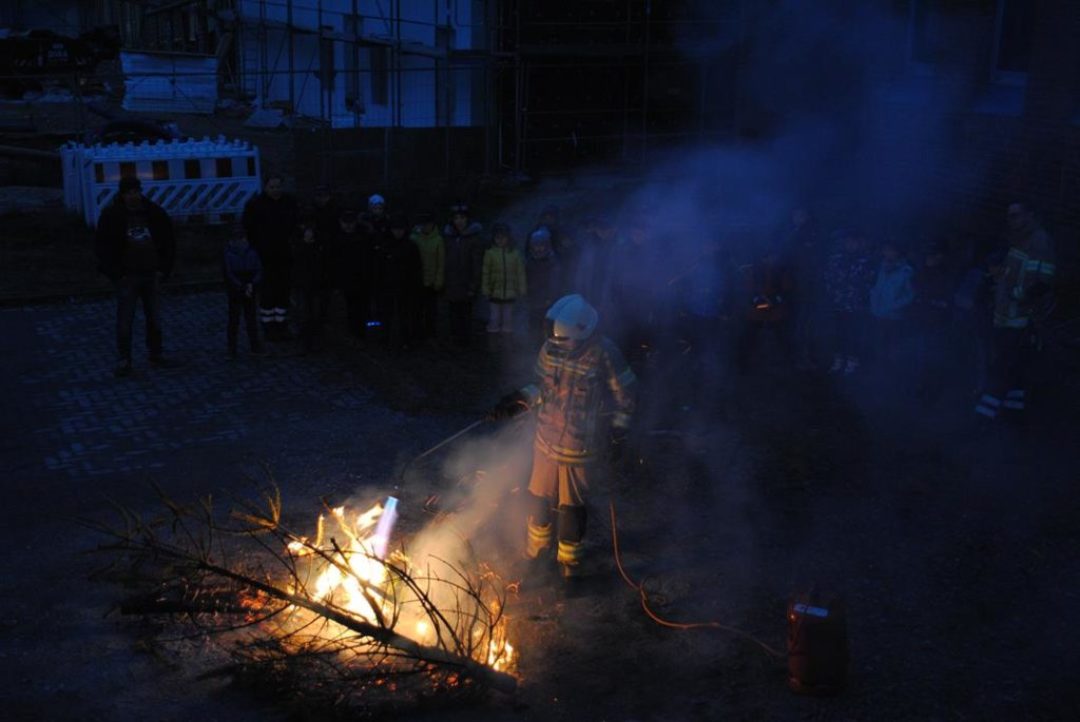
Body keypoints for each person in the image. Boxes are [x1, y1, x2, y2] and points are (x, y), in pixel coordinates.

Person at [490, 294, 636, 582]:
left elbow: (627, 396)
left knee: (571, 510)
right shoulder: (551, 347)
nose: (559, 345)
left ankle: (569, 568)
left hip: (578, 445)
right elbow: (541, 387)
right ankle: (536, 556)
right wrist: (517, 400)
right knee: (537, 501)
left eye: (565, 341)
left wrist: (619, 431)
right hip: (545, 439)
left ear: (583, 333)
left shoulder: (605, 353)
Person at [974, 202, 1056, 421]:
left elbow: (1041, 282)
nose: (1011, 219)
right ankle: (1013, 415)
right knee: (1013, 368)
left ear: (1030, 215)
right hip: (1007, 317)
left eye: (1016, 215)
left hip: (1021, 319)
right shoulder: (1020, 240)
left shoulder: (1039, 241)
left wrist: (1016, 296)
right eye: (1009, 215)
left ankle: (982, 417)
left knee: (1001, 366)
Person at [94, 175, 176, 377]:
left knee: (154, 318)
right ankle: (125, 359)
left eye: (136, 191)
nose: (134, 196)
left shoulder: (154, 213)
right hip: (127, 276)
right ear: (123, 194)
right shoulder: (112, 216)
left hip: (151, 273)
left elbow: (169, 242)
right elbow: (103, 248)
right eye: (130, 192)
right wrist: (116, 274)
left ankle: (155, 354)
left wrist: (163, 270)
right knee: (125, 320)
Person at [242, 174, 298, 341]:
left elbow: (295, 225)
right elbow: (248, 229)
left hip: (284, 254)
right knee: (267, 291)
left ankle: (282, 325)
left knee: (283, 290)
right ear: (265, 187)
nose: (275, 190)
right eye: (272, 187)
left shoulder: (290, 202)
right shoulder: (255, 205)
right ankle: (268, 327)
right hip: (263, 256)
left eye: (278, 186)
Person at [736, 244, 795, 374]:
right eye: (768, 257)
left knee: (784, 337)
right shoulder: (754, 271)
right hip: (756, 313)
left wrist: (776, 299)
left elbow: (788, 291)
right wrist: (757, 299)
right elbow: (747, 289)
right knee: (748, 337)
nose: (771, 260)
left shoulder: (781, 271)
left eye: (773, 257)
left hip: (776, 312)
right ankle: (741, 364)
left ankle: (791, 363)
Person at [824, 229, 874, 375]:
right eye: (848, 241)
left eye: (853, 241)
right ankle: (838, 360)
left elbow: (870, 282)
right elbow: (828, 278)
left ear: (859, 243)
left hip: (857, 305)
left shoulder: (866, 260)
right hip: (838, 303)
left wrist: (861, 294)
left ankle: (852, 363)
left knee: (854, 334)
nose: (850, 244)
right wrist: (833, 293)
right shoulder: (836, 258)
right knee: (838, 333)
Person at [781, 208, 824, 369]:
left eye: (800, 215)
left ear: (806, 217)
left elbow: (812, 261)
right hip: (790, 285)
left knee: (804, 322)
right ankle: (791, 356)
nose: (797, 218)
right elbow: (784, 255)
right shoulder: (789, 233)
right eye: (795, 215)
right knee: (791, 321)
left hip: (806, 286)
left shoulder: (812, 234)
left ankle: (803, 356)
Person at [868, 241, 915, 373]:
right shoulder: (881, 267)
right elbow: (877, 287)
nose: (887, 253)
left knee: (894, 343)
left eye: (890, 250)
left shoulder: (906, 270)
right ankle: (879, 368)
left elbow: (910, 294)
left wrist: (894, 305)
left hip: (895, 314)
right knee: (879, 341)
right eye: (885, 250)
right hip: (878, 312)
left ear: (898, 252)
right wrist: (873, 300)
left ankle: (894, 372)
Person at [443, 202, 484, 346]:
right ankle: (454, 339)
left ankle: (465, 340)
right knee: (453, 313)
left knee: (466, 313)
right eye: (456, 218)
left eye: (462, 218)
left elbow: (477, 264)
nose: (459, 221)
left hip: (467, 283)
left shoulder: (474, 238)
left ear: (467, 220)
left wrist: (474, 285)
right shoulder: (449, 237)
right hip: (452, 282)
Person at [222, 223, 265, 359]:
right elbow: (229, 273)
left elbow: (258, 268)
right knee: (239, 318)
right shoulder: (248, 251)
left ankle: (240, 347)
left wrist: (250, 284)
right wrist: (247, 285)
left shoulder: (230, 252)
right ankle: (238, 348)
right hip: (240, 286)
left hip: (244, 284)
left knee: (245, 318)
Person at [290, 215, 330, 353]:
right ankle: (307, 342)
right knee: (305, 314)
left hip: (317, 285)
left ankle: (315, 341)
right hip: (303, 285)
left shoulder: (319, 247)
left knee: (315, 314)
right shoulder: (299, 247)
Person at [482, 223, 527, 334]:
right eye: (498, 237)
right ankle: (493, 341)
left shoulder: (515, 254)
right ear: (494, 238)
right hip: (494, 292)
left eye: (503, 237)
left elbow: (520, 273)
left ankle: (506, 344)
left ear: (508, 238)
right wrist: (486, 289)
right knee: (494, 318)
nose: (500, 240)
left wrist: (522, 289)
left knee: (508, 319)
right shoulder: (490, 253)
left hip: (510, 292)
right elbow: (486, 273)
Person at [334, 209, 372, 341]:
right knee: (350, 306)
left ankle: (360, 332)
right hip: (346, 279)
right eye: (346, 222)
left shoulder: (364, 237)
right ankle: (353, 331)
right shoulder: (338, 238)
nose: (348, 225)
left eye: (351, 222)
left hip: (362, 278)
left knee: (361, 306)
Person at [525, 227, 564, 342]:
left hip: (548, 300)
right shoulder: (530, 261)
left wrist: (551, 297)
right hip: (533, 298)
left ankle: (548, 347)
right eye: (536, 245)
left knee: (548, 325)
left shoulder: (553, 262)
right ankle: (534, 347)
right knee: (534, 325)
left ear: (547, 245)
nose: (538, 248)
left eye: (541, 245)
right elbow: (526, 278)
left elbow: (555, 282)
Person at [410, 211, 444, 341]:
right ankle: (417, 335)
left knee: (431, 312)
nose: (426, 227)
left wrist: (438, 281)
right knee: (416, 311)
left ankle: (431, 335)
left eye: (428, 224)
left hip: (431, 283)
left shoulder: (438, 240)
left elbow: (440, 262)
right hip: (417, 282)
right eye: (423, 224)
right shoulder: (414, 238)